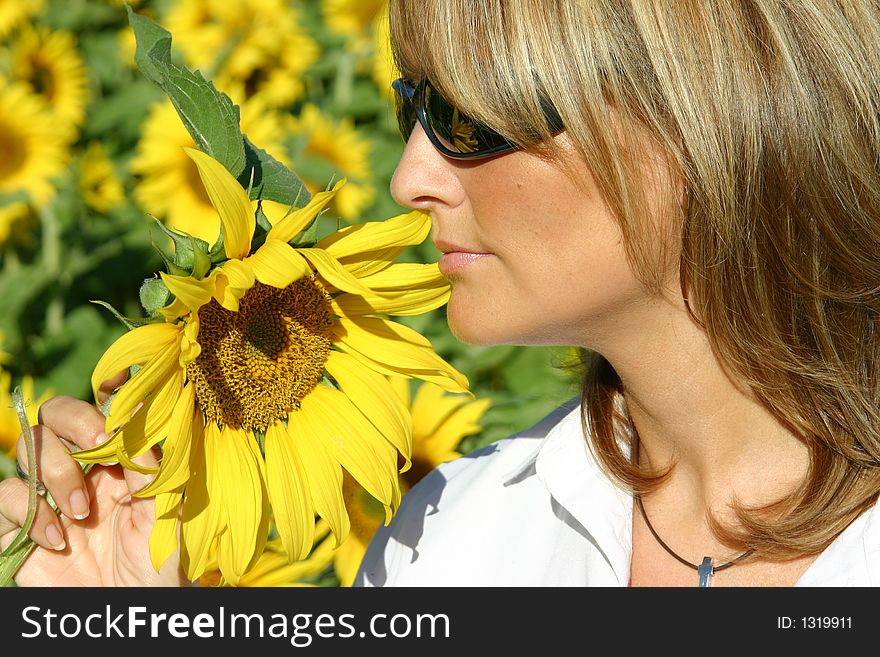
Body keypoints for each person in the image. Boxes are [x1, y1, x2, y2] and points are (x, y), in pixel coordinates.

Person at [2, 0, 880, 587]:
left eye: (466, 116)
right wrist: (126, 608)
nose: (410, 178)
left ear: (699, 121)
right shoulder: (455, 541)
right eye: (410, 108)